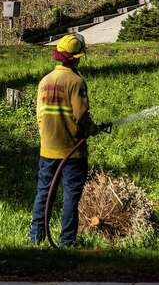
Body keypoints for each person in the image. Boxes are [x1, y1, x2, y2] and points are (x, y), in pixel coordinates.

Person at [29, 33, 109, 247]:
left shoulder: (44, 81)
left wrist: (47, 138)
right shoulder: (76, 82)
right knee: (70, 197)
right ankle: (66, 242)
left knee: (43, 194)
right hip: (72, 152)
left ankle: (35, 239)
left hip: (47, 150)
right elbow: (81, 116)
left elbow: (39, 115)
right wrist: (92, 130)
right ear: (76, 58)